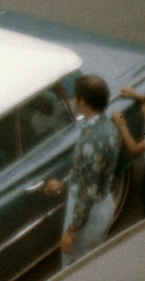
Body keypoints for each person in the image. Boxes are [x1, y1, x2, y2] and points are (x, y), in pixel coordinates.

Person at [43, 75, 121, 266]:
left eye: (75, 96)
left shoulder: (92, 139)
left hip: (88, 214)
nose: (72, 99)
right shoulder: (109, 128)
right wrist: (64, 183)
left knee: (75, 268)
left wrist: (71, 231)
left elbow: (88, 190)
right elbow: (90, 170)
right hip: (102, 205)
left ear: (83, 102)